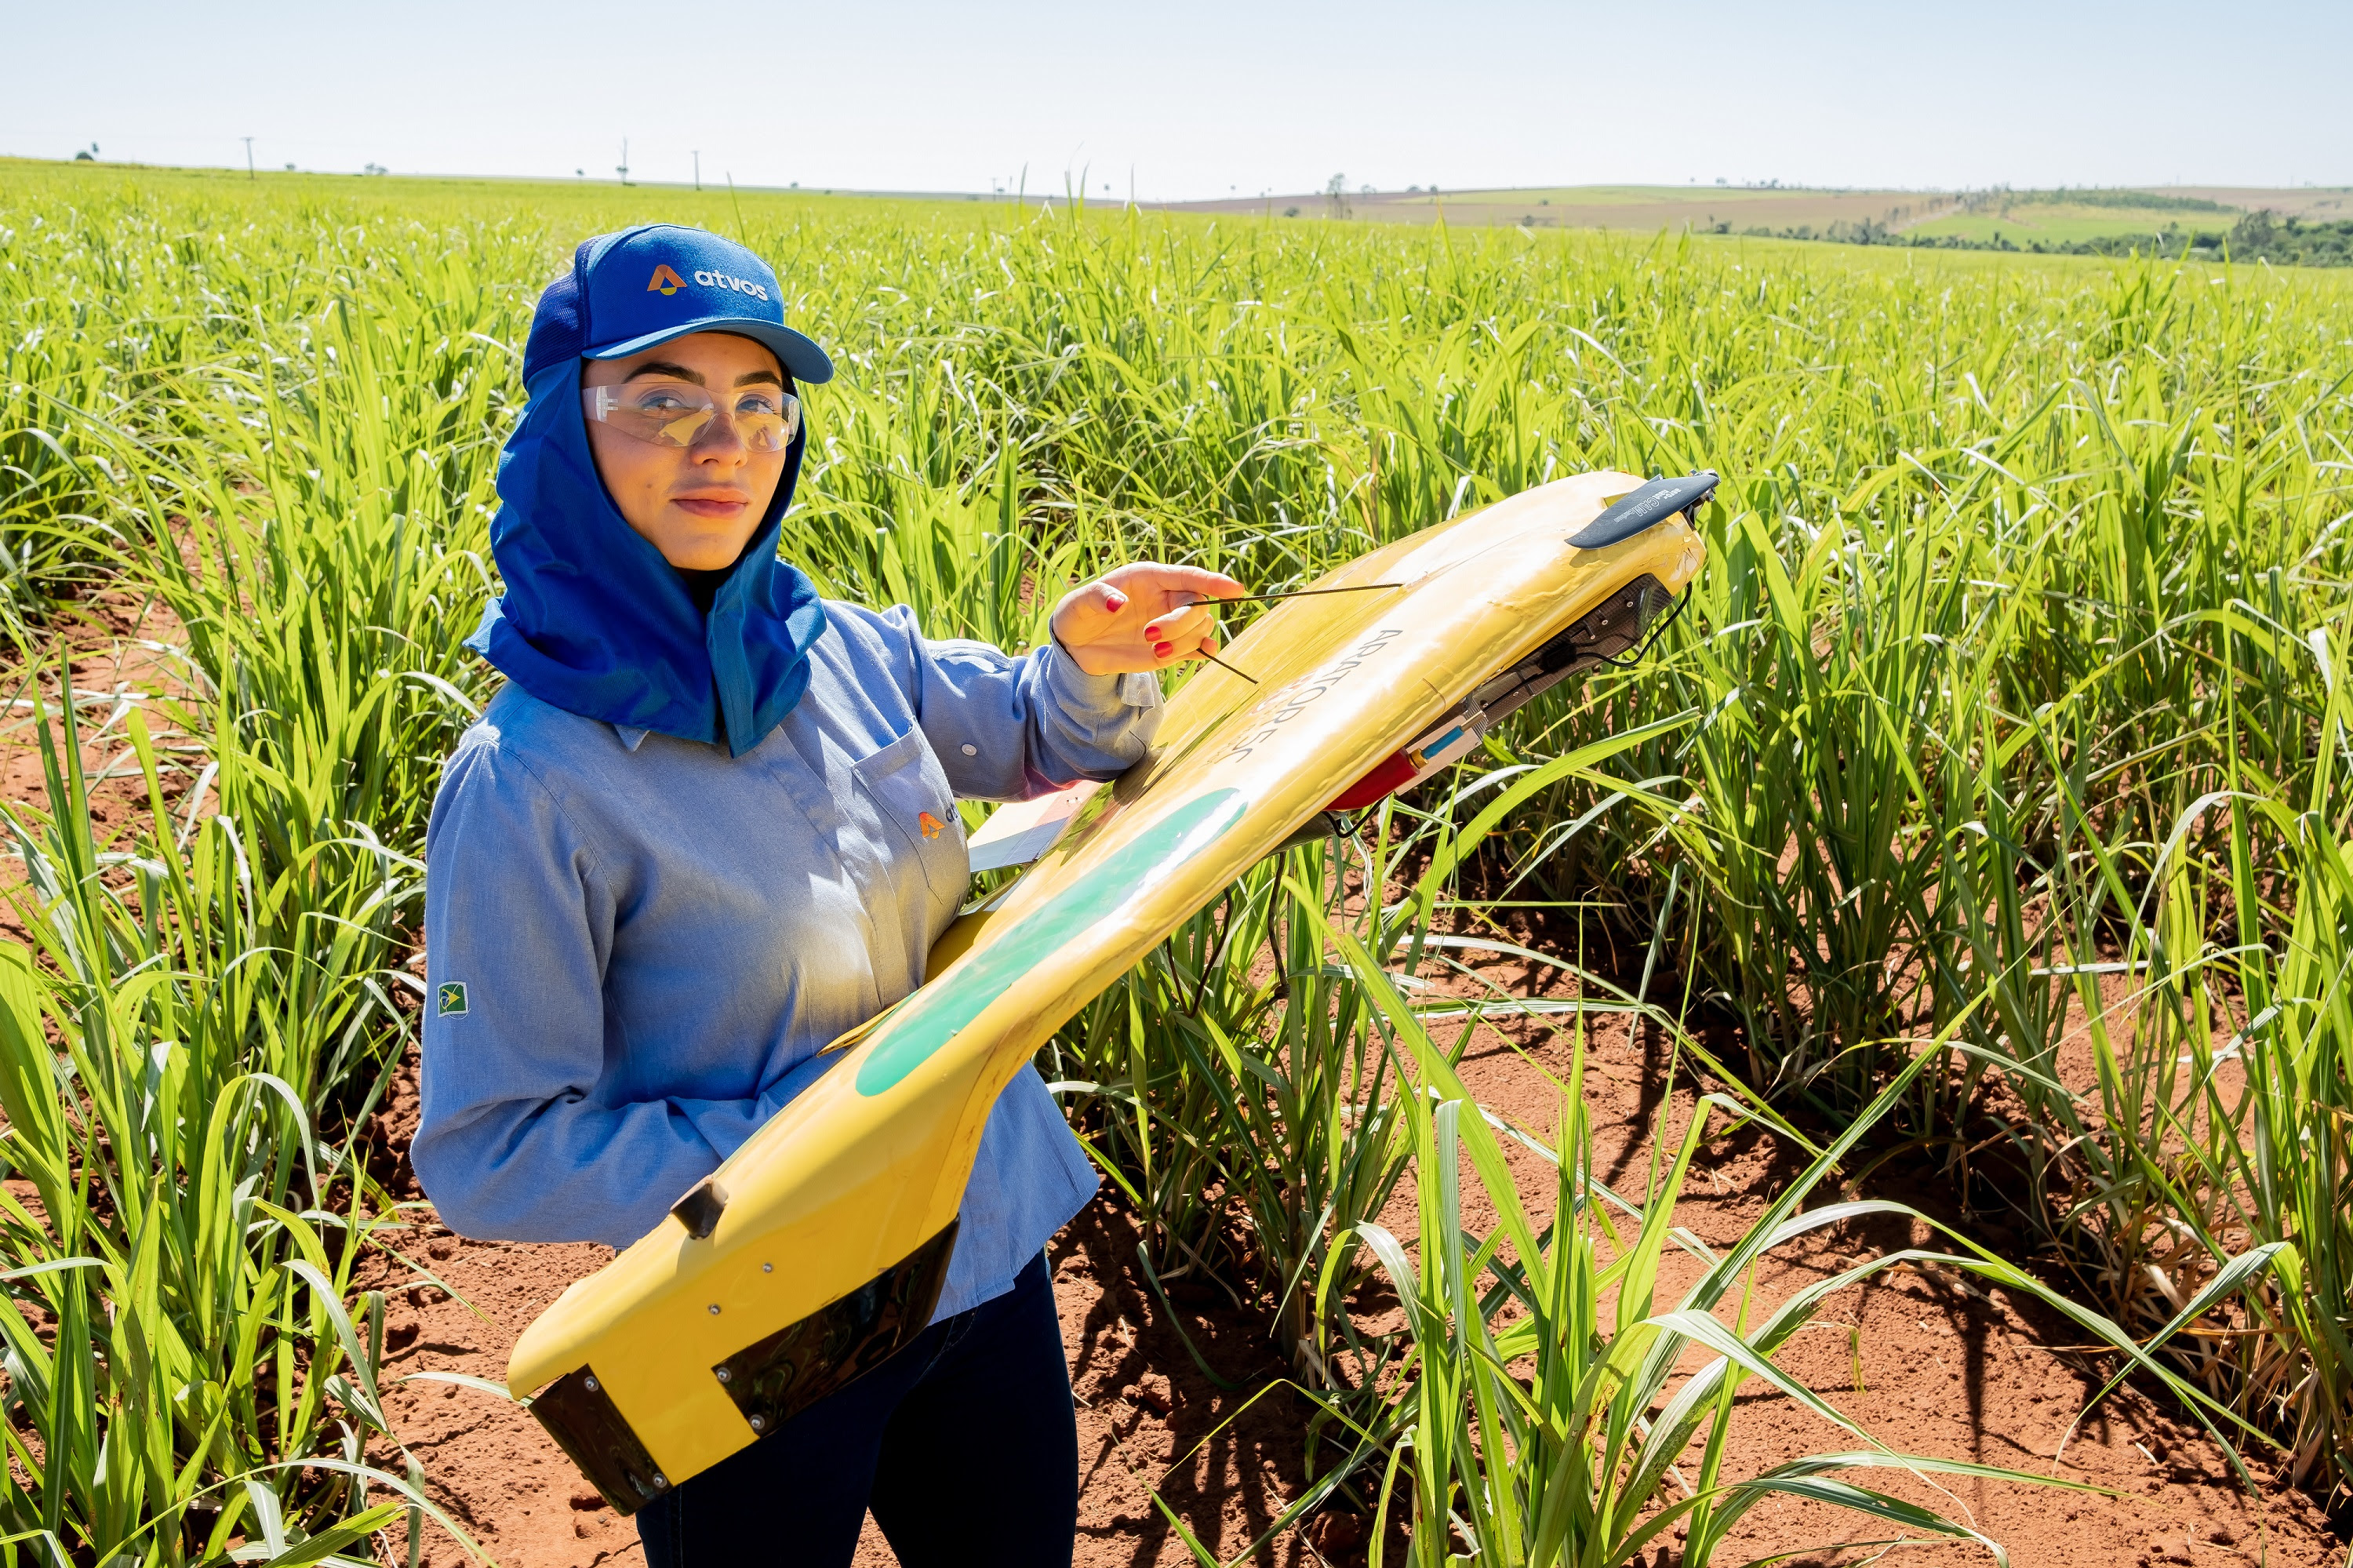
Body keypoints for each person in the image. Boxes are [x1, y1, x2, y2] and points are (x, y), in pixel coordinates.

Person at [410, 224, 1242, 1568]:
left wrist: (1090, 657)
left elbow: (1048, 731)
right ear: (570, 430)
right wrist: (807, 1142)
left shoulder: (837, 646)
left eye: (757, 404)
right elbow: (492, 1151)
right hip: (753, 1336)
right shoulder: (531, 783)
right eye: (660, 400)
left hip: (982, 1249)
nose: (720, 443)